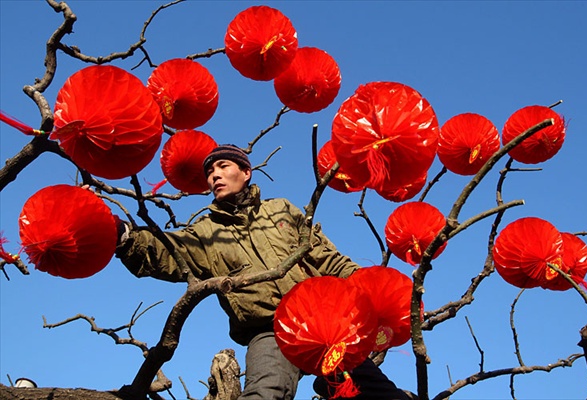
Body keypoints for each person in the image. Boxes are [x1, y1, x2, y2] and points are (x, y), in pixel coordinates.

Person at [116, 144, 411, 399]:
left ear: (246, 172)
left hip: (324, 319)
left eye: (223, 166)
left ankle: (332, 383)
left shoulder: (282, 209)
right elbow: (163, 250)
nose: (214, 175)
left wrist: (371, 287)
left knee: (378, 391)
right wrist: (122, 236)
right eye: (209, 172)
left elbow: (325, 257)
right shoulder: (204, 233)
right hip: (269, 331)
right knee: (266, 392)